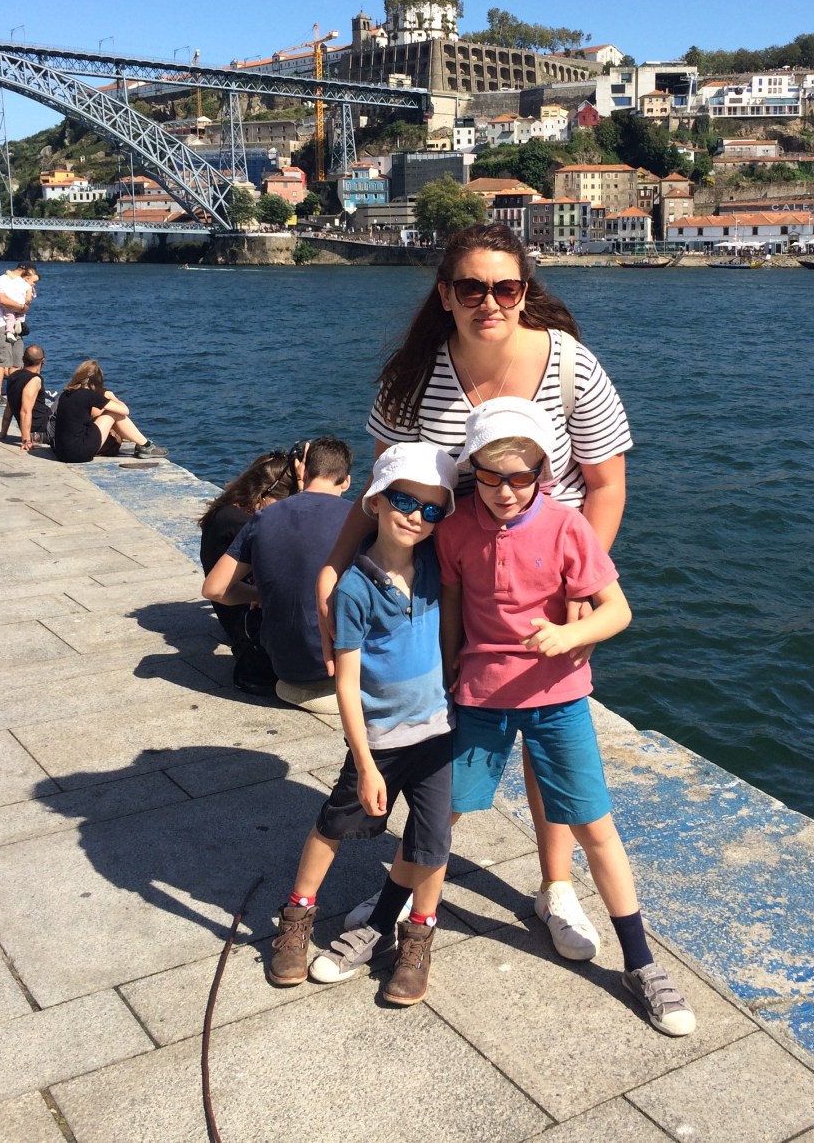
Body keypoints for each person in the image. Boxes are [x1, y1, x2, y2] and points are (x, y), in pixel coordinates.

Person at [320, 222, 633, 962]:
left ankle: (556, 885)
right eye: (471, 287)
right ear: (445, 294)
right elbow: (385, 486)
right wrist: (334, 565)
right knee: (438, 732)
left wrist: (578, 585)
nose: (489, 301)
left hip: (545, 582)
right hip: (438, 582)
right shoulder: (413, 376)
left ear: (525, 291)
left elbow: (605, 484)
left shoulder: (570, 367)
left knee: (545, 733)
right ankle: (414, 878)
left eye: (505, 287)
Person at [438, 399, 695, 1037]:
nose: (504, 491)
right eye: (490, 476)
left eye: (520, 477)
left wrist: (566, 635)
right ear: (472, 471)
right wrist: (446, 672)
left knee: (593, 825)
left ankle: (640, 961)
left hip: (559, 698)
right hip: (480, 695)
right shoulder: (454, 529)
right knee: (442, 809)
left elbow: (617, 610)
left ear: (542, 472)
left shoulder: (567, 526)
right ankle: (401, 911)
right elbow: (452, 608)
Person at [268, 442, 457, 1006]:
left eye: (431, 509)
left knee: (432, 842)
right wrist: (367, 762)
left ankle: (417, 937)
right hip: (380, 741)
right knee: (333, 825)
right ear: (375, 501)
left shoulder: (434, 565)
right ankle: (297, 917)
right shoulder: (353, 589)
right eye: (404, 501)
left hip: (437, 734)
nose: (416, 517)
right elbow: (347, 684)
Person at [203, 437, 354, 713]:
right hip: (343, 670)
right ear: (346, 482)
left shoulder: (264, 518)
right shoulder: (357, 519)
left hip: (284, 669)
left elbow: (214, 589)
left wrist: (261, 594)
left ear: (303, 471)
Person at [199, 448, 303, 696]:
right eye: (288, 501)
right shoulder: (243, 523)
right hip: (246, 625)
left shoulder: (229, 511)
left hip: (237, 615)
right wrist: (261, 595)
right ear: (266, 493)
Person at [52, 359, 168, 462]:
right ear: (96, 380)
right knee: (113, 413)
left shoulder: (66, 394)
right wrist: (111, 396)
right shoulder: (88, 395)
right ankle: (146, 445)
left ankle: (143, 444)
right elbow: (125, 411)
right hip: (78, 453)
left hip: (62, 452)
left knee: (105, 415)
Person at [0, 264, 39, 404]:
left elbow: (26, 298)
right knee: (0, 360)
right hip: (0, 323)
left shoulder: (20, 283)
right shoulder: (4, 280)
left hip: (15, 325)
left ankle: (14, 392)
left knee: (17, 359)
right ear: (25, 272)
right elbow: (2, 299)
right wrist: (22, 307)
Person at [0, 344, 51, 450]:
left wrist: (2, 434)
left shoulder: (12, 377)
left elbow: (9, 409)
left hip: (36, 429)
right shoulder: (34, 380)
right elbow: (25, 411)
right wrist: (26, 440)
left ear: (23, 359)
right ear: (43, 361)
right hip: (43, 430)